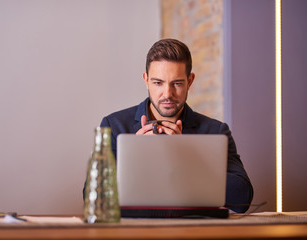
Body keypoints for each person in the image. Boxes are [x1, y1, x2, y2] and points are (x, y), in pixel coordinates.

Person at [99, 38, 253, 213]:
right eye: (158, 83)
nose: (168, 94)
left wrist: (186, 158)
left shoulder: (216, 131)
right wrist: (136, 158)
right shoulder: (114, 126)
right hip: (134, 234)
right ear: (146, 80)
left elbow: (242, 199)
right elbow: (96, 198)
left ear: (190, 81)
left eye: (177, 83)